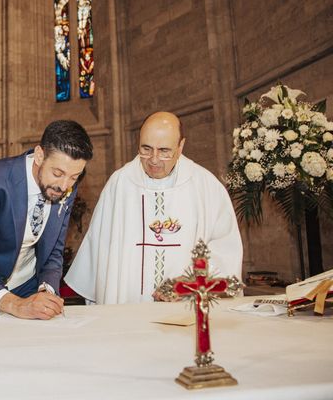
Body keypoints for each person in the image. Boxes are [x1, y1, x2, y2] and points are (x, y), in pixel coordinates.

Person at [65, 112, 243, 304]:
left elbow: (225, 253)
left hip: (186, 312)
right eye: (146, 148)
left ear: (181, 146)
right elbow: (99, 254)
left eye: (164, 150)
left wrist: (190, 285)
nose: (154, 159)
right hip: (127, 312)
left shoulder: (206, 187)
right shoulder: (120, 184)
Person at [0, 120, 93, 320]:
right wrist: (15, 304)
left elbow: (54, 251)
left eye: (74, 177)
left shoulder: (66, 186)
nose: (64, 186)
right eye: (57, 173)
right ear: (39, 155)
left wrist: (47, 290)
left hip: (28, 286)